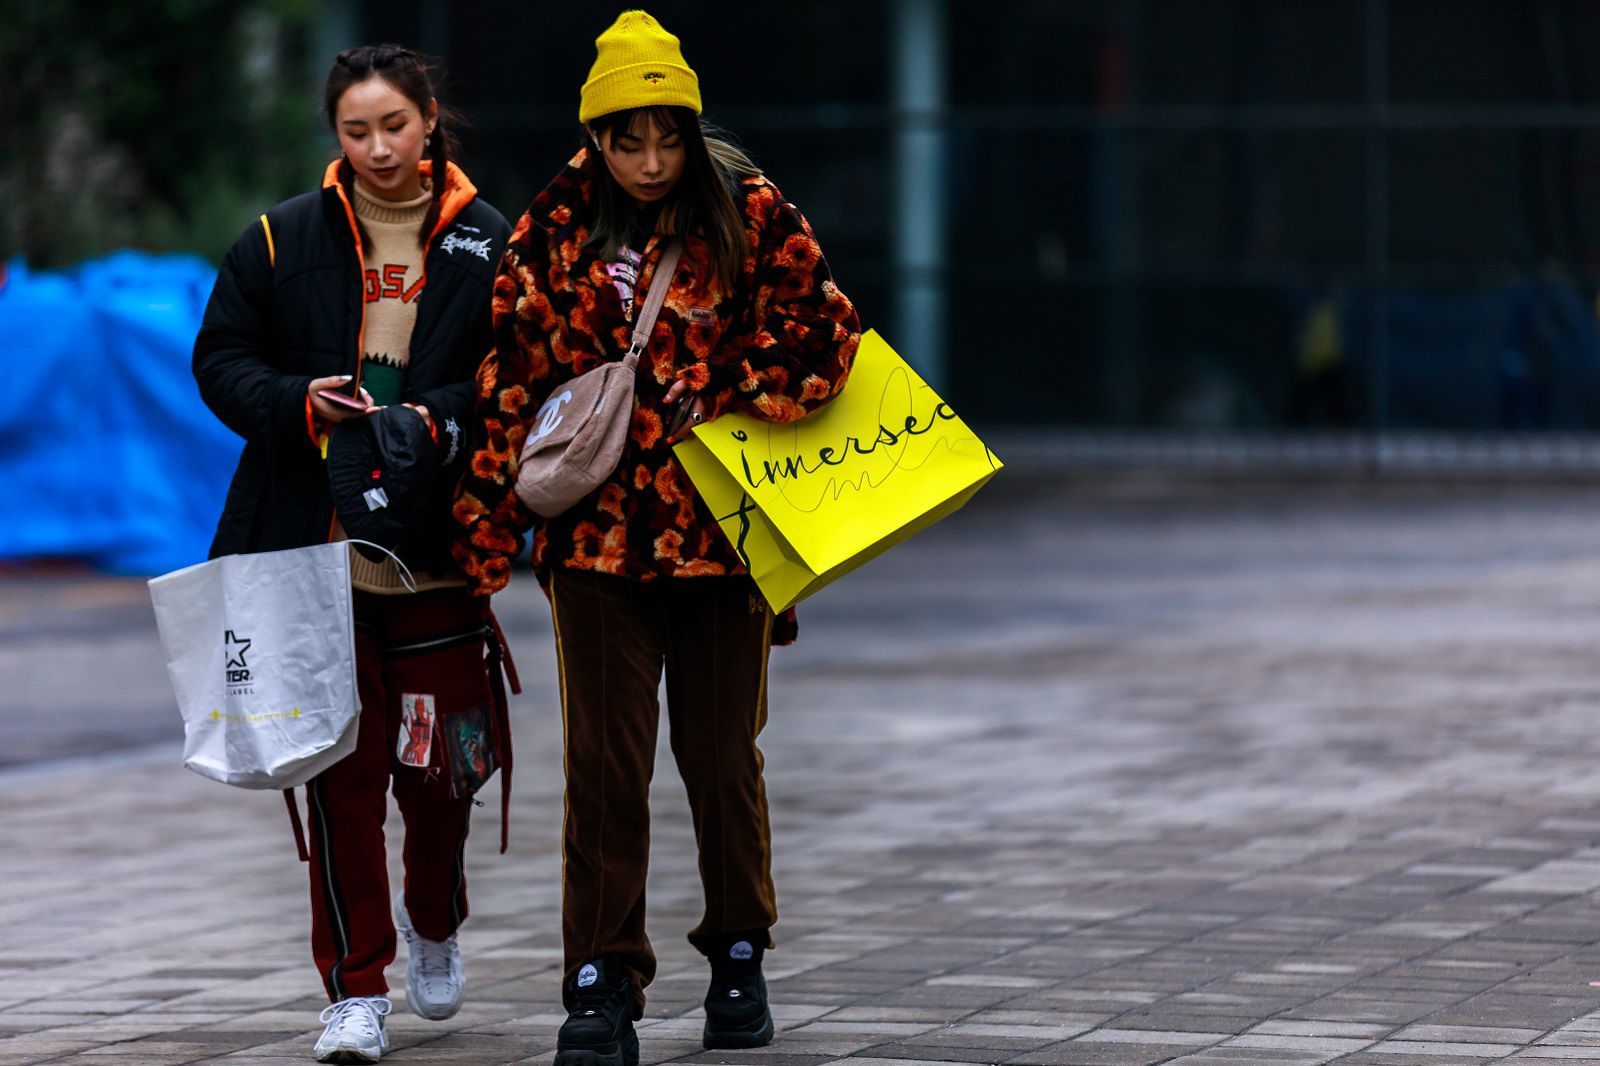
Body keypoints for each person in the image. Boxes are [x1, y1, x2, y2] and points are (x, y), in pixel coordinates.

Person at [452, 10, 861, 1066]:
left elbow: (829, 337)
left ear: (690, 129)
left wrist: (721, 379)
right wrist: (482, 538)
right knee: (603, 768)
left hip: (723, 541)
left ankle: (738, 953)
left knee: (722, 763)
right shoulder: (551, 227)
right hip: (595, 549)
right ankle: (599, 982)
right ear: (593, 135)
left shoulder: (750, 209)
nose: (647, 162)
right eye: (625, 140)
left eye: (665, 138)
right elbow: (510, 383)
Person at [192, 44, 511, 1064]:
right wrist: (299, 401)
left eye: (395, 126)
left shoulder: (488, 241)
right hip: (309, 554)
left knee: (443, 772)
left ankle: (436, 918)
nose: (377, 148)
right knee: (342, 778)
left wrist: (434, 419)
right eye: (356, 130)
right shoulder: (280, 238)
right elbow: (220, 361)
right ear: (336, 135)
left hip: (437, 552)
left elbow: (513, 380)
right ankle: (355, 989)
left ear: (430, 121)